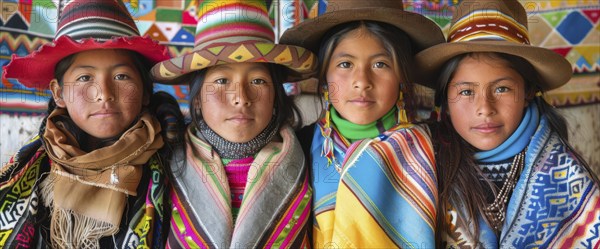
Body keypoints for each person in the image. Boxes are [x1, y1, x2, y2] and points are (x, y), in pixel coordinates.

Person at [415, 0, 600, 247]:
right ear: (445, 99)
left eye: (502, 89)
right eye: (467, 92)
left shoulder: (566, 179)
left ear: (528, 92)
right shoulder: (420, 167)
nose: (484, 109)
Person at [0, 0, 183, 248]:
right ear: (59, 93)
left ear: (145, 92)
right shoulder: (26, 173)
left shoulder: (179, 167)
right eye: (85, 77)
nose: (103, 93)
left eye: (121, 76)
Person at [150, 1, 317, 248]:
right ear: (197, 100)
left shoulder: (312, 157)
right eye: (221, 80)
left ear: (275, 97)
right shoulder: (165, 164)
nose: (241, 97)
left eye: (258, 81)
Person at [280, 0, 445, 247]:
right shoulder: (296, 151)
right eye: (345, 64)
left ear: (401, 76)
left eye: (380, 64)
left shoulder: (437, 152)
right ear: (325, 77)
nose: (362, 81)